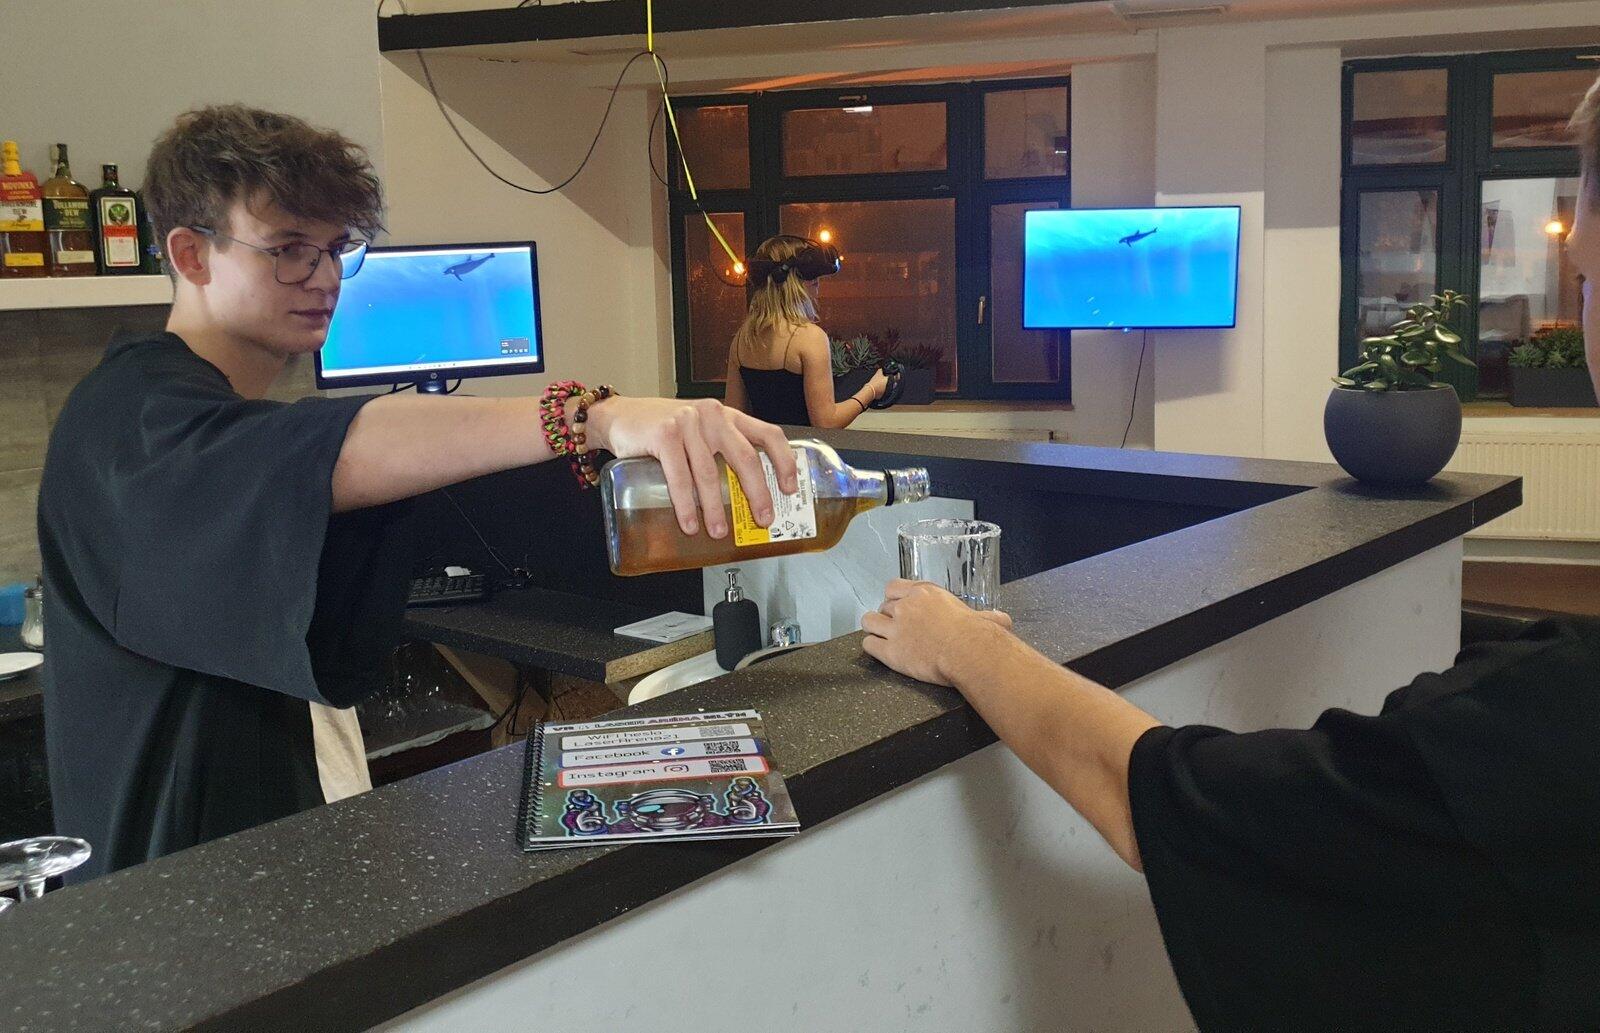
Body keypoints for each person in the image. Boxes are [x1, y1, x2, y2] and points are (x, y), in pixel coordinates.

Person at [862, 76, 1600, 1031]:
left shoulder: (1550, 723)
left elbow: (1180, 803)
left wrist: (965, 643)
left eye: (1583, 272)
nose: (1577, 281)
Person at [38, 105, 799, 880]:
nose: (323, 278)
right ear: (191, 254)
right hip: (163, 906)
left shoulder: (196, 413)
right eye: (288, 250)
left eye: (335, 249)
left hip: (251, 876)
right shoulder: (131, 418)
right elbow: (321, 447)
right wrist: (591, 417)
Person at [722, 234, 889, 428]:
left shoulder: (743, 338)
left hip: (763, 446)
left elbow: (733, 418)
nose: (817, 283)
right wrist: (872, 391)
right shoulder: (810, 338)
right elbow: (826, 422)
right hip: (802, 447)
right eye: (812, 277)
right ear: (795, 282)